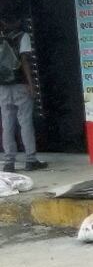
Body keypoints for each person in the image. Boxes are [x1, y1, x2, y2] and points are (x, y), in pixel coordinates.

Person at [0, 14, 46, 173]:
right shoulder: (22, 37)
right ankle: (30, 160)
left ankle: (8, 162)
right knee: (25, 122)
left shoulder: (1, 38)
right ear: (18, 21)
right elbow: (24, 61)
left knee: (7, 124)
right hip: (20, 85)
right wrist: (31, 84)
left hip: (3, 87)